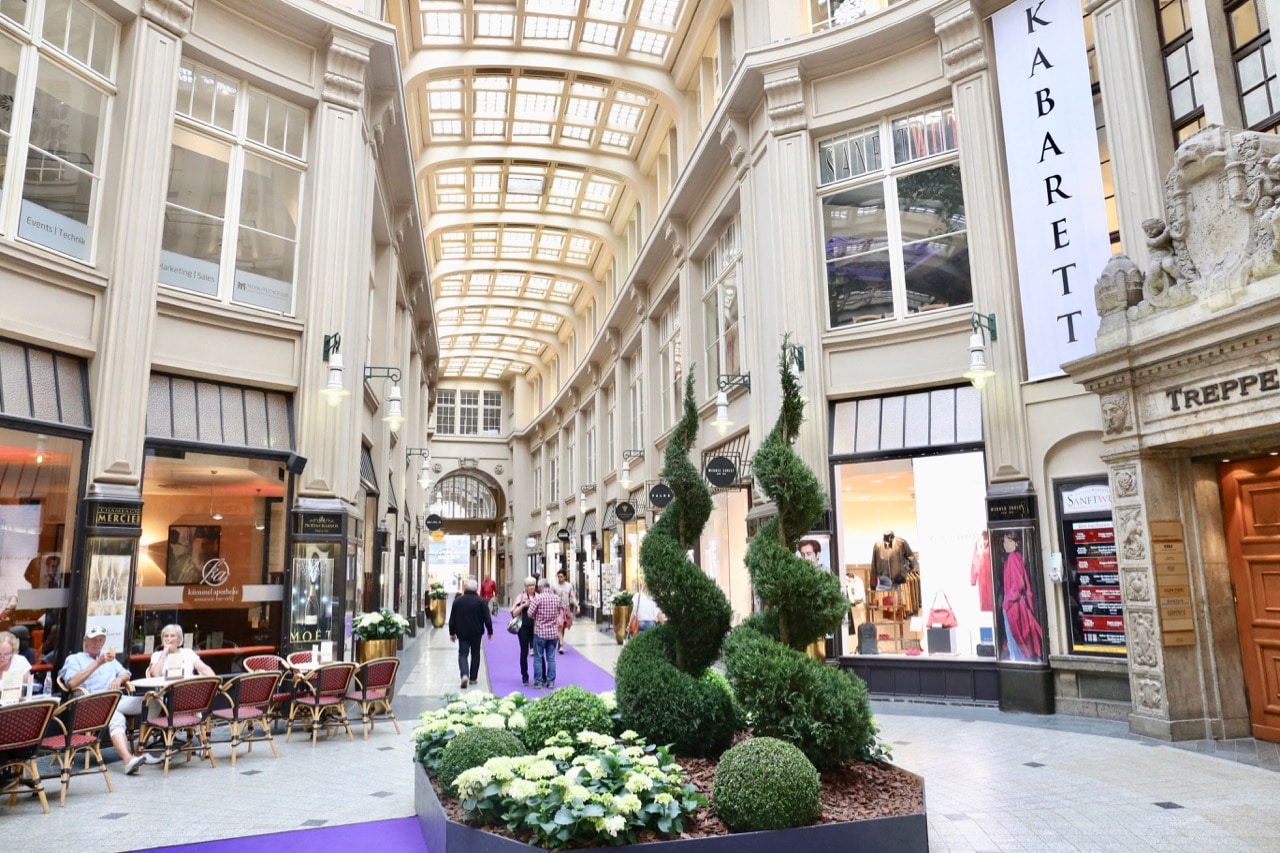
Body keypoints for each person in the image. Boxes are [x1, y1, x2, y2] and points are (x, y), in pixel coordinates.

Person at [60, 626, 160, 775]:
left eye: (100, 640)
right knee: (117, 717)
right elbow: (72, 683)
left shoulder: (109, 658)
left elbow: (126, 673)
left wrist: (119, 679)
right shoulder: (74, 659)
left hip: (117, 700)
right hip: (93, 704)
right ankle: (128, 760)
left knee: (153, 702)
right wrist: (98, 663)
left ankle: (140, 752)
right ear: (84, 641)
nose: (96, 643)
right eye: (93, 639)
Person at [999, 530, 1043, 662]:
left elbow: (1018, 585)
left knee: (1015, 641)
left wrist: (1006, 604)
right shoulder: (1015, 557)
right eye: (1005, 541)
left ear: (1016, 543)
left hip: (1014, 607)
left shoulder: (1013, 558)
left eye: (1010, 541)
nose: (1006, 544)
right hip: (1014, 606)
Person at [447, 578, 492, 689]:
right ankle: (473, 678)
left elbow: (452, 619)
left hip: (462, 632)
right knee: (475, 654)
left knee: (463, 654)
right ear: (476, 589)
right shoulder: (481, 601)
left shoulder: (458, 601)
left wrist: (452, 632)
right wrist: (490, 631)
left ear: (465, 588)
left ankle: (464, 674)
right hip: (476, 632)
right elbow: (487, 618)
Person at [526, 578, 563, 689]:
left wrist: (536, 617)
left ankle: (538, 681)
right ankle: (551, 682)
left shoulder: (538, 598)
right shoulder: (557, 598)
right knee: (551, 658)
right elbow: (558, 613)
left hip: (540, 632)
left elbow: (529, 613)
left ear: (541, 587)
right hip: (553, 633)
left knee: (538, 657)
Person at [146, 624, 215, 679]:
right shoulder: (157, 655)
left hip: (188, 690)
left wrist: (216, 684)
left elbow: (204, 669)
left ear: (179, 639)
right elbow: (155, 675)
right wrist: (164, 652)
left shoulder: (188, 653)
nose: (169, 639)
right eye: (166, 636)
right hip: (164, 693)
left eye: (172, 636)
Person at [509, 577, 538, 686]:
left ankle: (539, 676)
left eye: (533, 585)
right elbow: (513, 613)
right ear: (525, 587)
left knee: (538, 652)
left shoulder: (538, 597)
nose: (531, 587)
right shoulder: (520, 597)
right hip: (523, 628)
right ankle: (524, 676)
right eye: (529, 585)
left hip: (536, 628)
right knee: (524, 652)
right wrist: (523, 605)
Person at [550, 568, 578, 654]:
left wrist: (577, 606)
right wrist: (557, 595)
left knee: (563, 627)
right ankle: (561, 645)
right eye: (558, 576)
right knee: (560, 625)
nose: (559, 578)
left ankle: (560, 642)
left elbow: (572, 596)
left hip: (566, 608)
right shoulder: (554, 586)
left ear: (565, 577)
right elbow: (550, 597)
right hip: (558, 608)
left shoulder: (569, 586)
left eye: (561, 576)